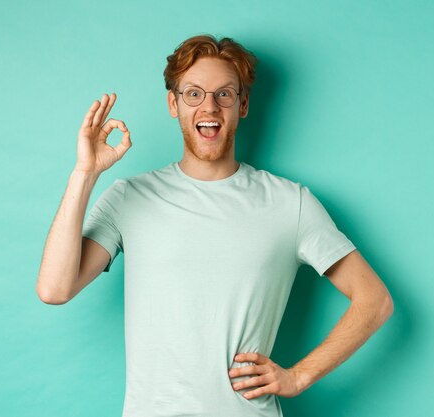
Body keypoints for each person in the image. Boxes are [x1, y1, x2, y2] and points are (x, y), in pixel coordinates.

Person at [36, 34, 394, 417]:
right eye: (194, 94)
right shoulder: (130, 197)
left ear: (242, 105)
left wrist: (299, 376)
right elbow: (55, 289)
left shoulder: (291, 203)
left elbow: (375, 300)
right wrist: (85, 173)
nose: (209, 106)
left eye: (224, 94)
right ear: (173, 103)